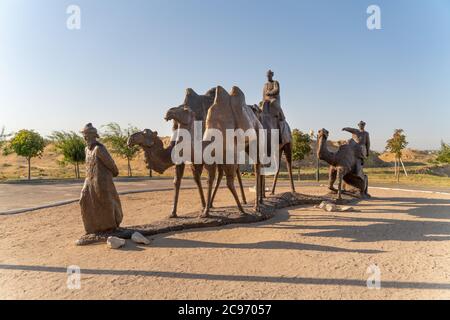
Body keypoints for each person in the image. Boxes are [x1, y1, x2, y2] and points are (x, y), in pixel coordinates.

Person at [79, 123, 123, 234]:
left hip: (102, 181)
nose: (84, 137)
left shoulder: (99, 149)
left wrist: (114, 172)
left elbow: (111, 164)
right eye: (84, 134)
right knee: (84, 200)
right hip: (89, 180)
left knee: (106, 203)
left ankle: (110, 227)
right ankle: (92, 228)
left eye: (86, 135)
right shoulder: (86, 149)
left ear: (92, 136)